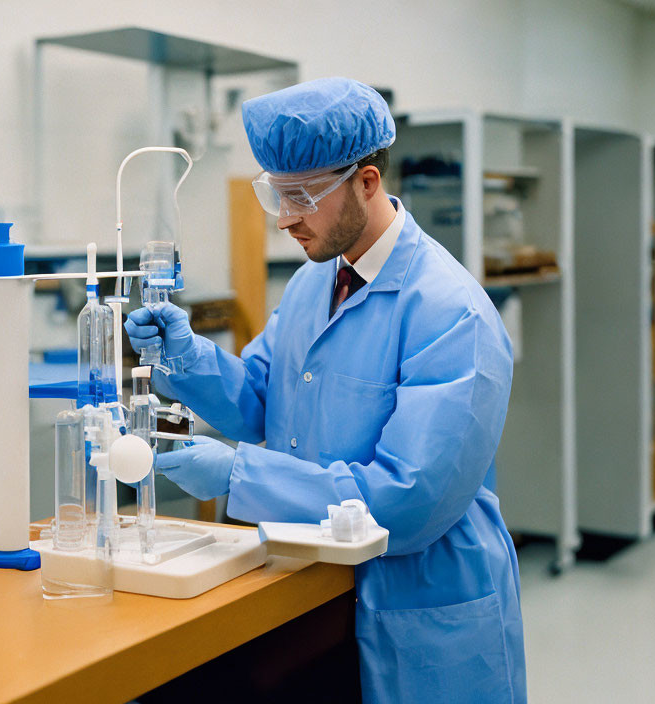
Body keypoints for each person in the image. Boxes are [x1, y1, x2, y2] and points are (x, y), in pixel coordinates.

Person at [125, 77, 526, 703]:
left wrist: (238, 479)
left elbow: (406, 499)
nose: (285, 219)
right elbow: (262, 397)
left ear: (366, 183)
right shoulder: (316, 282)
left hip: (414, 601)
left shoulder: (451, 314)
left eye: (302, 196)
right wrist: (188, 356)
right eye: (274, 195)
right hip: (314, 593)